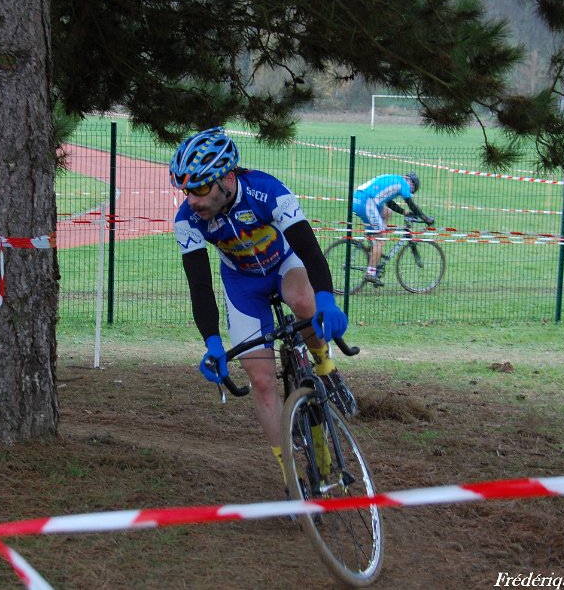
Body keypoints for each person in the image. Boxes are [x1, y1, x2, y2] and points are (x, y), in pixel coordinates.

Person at [170, 126, 358, 486]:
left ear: (227, 179)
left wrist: (326, 300)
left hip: (285, 265)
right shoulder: (187, 220)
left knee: (303, 301)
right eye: (185, 191)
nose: (191, 200)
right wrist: (212, 342)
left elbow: (309, 250)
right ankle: (291, 477)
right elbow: (200, 285)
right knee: (261, 381)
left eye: (200, 189)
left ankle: (324, 364)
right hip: (243, 284)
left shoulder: (267, 191)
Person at [352, 172, 435, 285]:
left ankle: (373, 244)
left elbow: (389, 202)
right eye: (412, 190)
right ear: (411, 183)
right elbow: (410, 203)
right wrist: (425, 218)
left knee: (387, 213)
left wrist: (405, 213)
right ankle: (370, 273)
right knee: (380, 240)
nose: (410, 191)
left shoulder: (394, 180)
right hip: (367, 202)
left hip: (360, 198)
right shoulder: (404, 184)